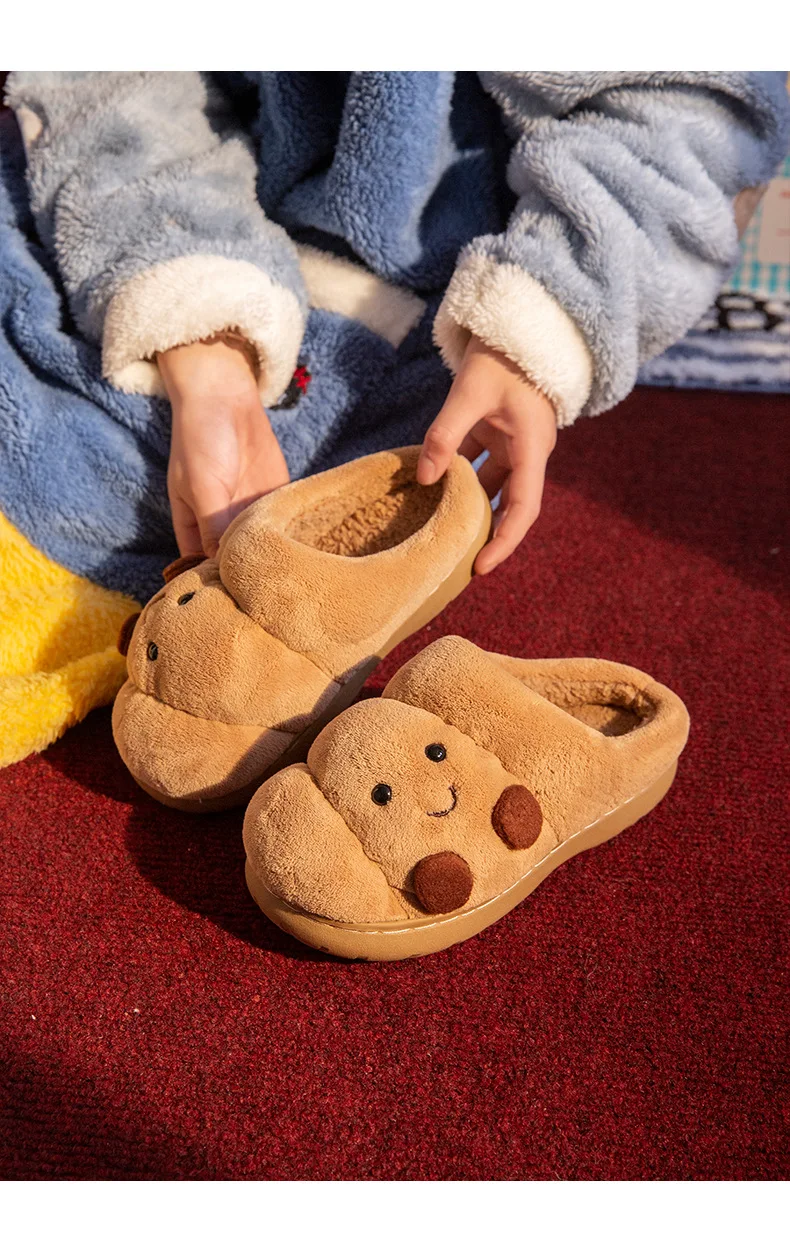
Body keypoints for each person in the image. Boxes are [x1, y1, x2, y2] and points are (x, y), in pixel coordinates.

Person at [3, 71, 788, 599]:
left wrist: (539, 324)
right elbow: (107, 80)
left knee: (171, 501)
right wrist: (202, 342)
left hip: (445, 295)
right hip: (168, 217)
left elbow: (690, 110)